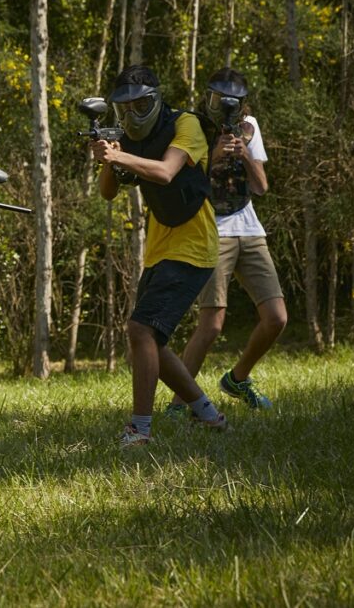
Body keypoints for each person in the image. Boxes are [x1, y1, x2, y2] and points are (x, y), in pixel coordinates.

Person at [91, 65, 228, 447]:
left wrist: (120, 158)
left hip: (194, 245)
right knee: (153, 339)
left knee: (140, 329)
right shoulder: (130, 141)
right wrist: (109, 157)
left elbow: (167, 172)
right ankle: (207, 415)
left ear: (155, 100)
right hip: (160, 247)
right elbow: (107, 192)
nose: (132, 114)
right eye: (125, 108)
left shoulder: (187, 124)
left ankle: (140, 429)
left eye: (140, 105)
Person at [166, 69, 287, 415]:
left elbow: (261, 186)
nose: (225, 107)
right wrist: (215, 157)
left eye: (231, 102)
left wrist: (244, 153)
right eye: (219, 100)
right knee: (212, 324)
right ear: (209, 97)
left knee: (276, 318)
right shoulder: (192, 126)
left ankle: (237, 379)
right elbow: (180, 185)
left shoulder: (250, 126)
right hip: (210, 228)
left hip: (248, 227)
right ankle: (178, 405)